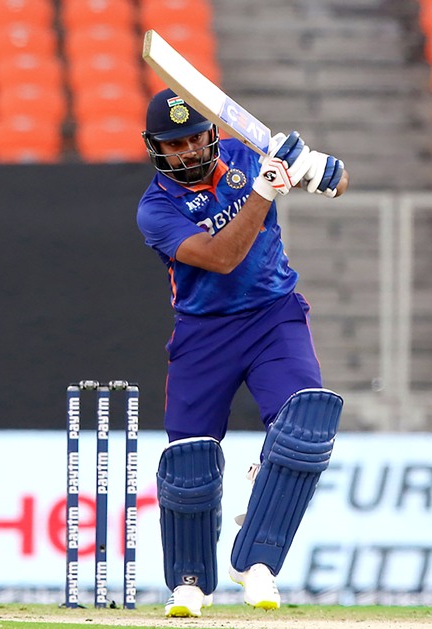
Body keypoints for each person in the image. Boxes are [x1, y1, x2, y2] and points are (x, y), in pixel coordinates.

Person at [136, 88, 348, 617]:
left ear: (211, 134)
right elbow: (222, 257)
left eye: (193, 139)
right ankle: (190, 583)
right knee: (189, 460)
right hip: (204, 331)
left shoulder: (246, 153)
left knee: (306, 423)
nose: (186, 152)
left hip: (273, 314)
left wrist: (315, 167)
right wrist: (265, 189)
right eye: (173, 145)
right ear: (155, 148)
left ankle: (257, 564)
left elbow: (340, 182)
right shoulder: (156, 208)